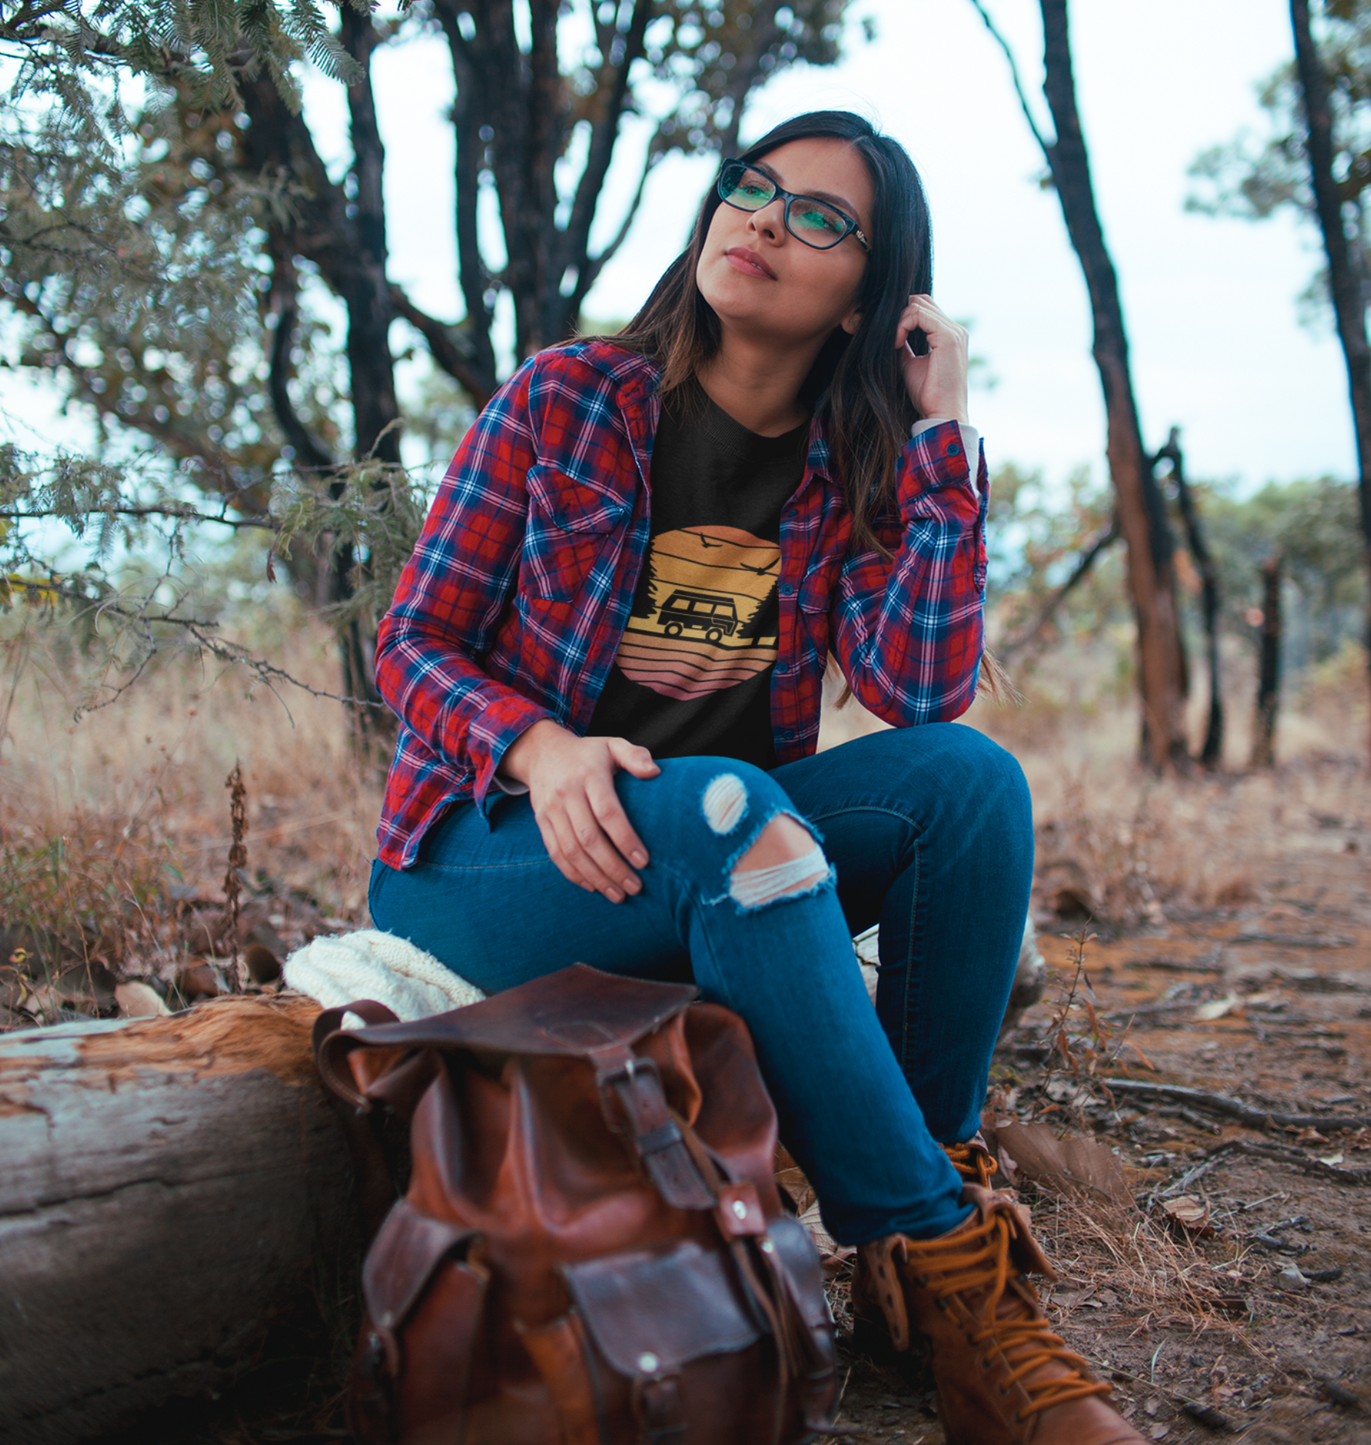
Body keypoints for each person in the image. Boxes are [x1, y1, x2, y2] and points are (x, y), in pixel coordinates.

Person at [369, 111, 1149, 1445]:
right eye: (752, 188)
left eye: (819, 217)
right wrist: (539, 748)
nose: (764, 220)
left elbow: (918, 694)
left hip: (732, 855)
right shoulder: (566, 397)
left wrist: (944, 438)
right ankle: (954, 1273)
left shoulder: (852, 469)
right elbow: (410, 642)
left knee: (968, 785)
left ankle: (921, 1219)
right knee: (736, 810)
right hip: (489, 861)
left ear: (867, 301)